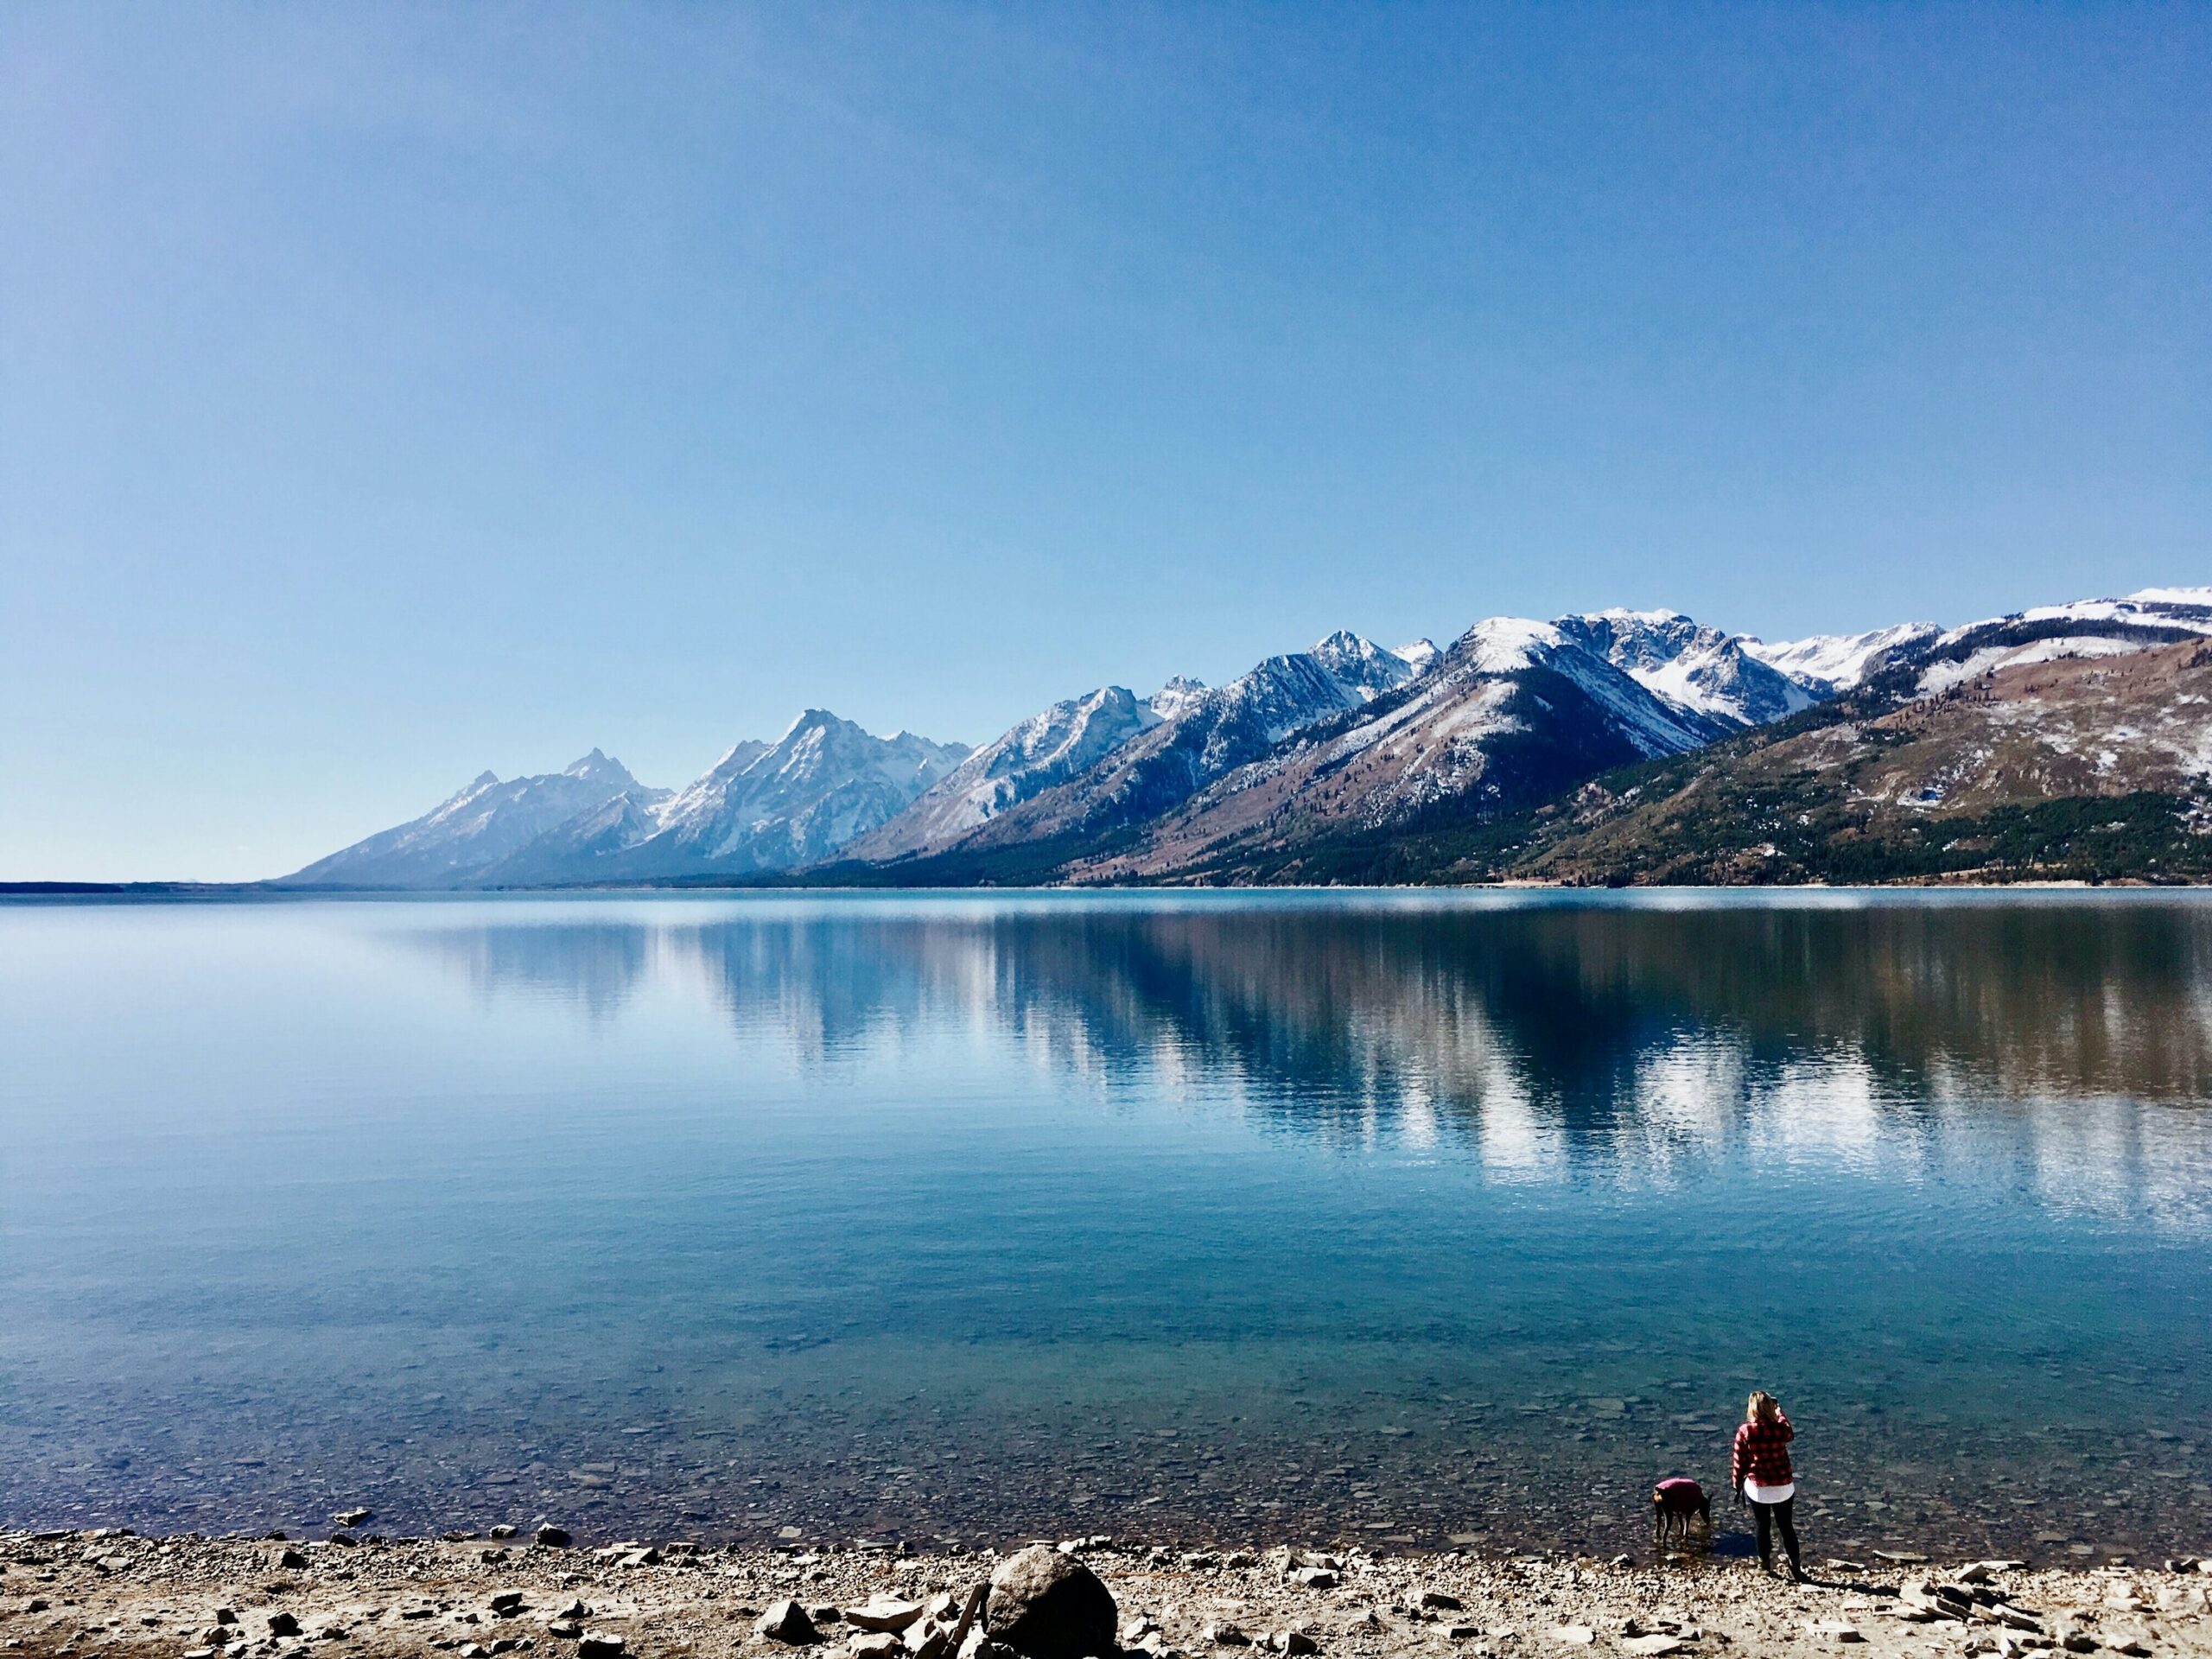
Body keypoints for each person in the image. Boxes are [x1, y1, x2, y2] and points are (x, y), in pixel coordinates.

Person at [1732, 1389, 1803, 1581]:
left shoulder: (1745, 1431)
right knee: (1786, 1526)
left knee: (1762, 1525)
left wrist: (1736, 1483)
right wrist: (1781, 1413)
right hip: (1783, 1486)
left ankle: (1765, 1566)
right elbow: (1790, 1434)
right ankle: (1796, 1568)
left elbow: (1739, 1461)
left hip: (1759, 1488)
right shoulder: (1779, 1428)